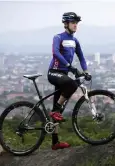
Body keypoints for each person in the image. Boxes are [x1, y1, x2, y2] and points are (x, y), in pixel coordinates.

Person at [47, 12, 92, 150]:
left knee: (57, 107)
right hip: (54, 73)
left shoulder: (75, 41)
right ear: (66, 24)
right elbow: (56, 53)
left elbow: (82, 57)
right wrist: (70, 67)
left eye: (76, 23)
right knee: (72, 84)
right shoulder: (58, 37)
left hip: (64, 75)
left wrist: (86, 71)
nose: (75, 25)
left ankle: (55, 142)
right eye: (73, 23)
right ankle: (55, 111)